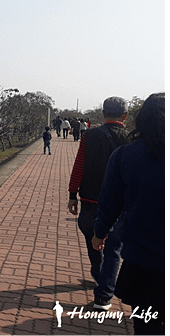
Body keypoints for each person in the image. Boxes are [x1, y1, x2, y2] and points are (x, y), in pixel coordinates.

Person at [92, 93, 165, 335]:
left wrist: (100, 232)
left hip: (144, 260)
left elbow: (110, 202)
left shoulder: (127, 155)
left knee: (146, 324)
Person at [68, 96, 130, 310]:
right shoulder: (131, 139)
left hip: (90, 199)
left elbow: (79, 166)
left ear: (103, 114)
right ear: (125, 116)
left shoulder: (90, 135)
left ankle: (100, 277)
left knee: (92, 240)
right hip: (121, 202)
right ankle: (104, 295)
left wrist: (72, 194)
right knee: (114, 247)